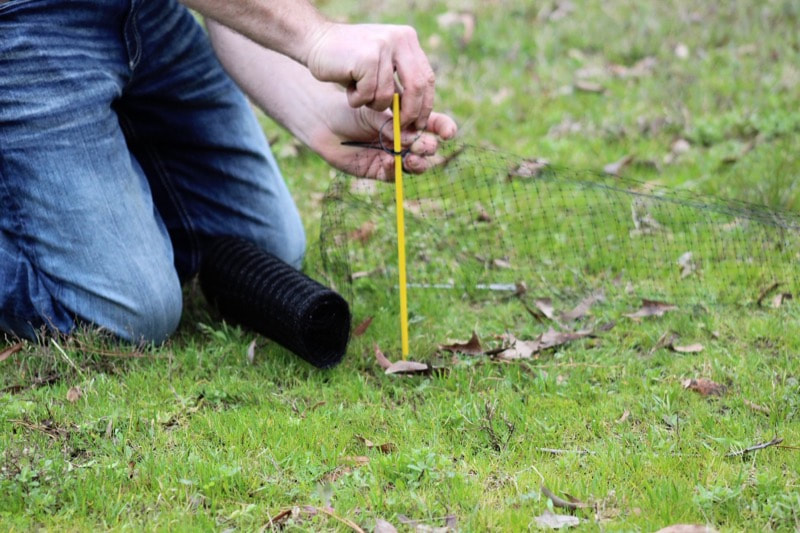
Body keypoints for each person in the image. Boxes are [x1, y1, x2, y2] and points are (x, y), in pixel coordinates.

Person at [0, 0, 457, 344]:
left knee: (262, 250)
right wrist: (316, 37)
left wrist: (319, 112)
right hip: (23, 18)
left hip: (146, 11)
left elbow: (231, 13)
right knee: (132, 316)